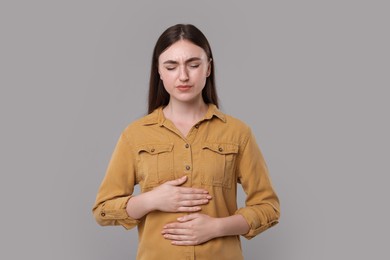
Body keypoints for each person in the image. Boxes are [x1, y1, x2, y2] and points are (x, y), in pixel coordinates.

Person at [92, 23, 280, 260]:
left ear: (208, 68)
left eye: (193, 64)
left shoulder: (238, 133)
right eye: (171, 66)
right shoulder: (135, 135)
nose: (183, 75)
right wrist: (151, 200)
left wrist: (217, 227)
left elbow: (269, 208)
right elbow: (103, 210)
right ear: (159, 71)